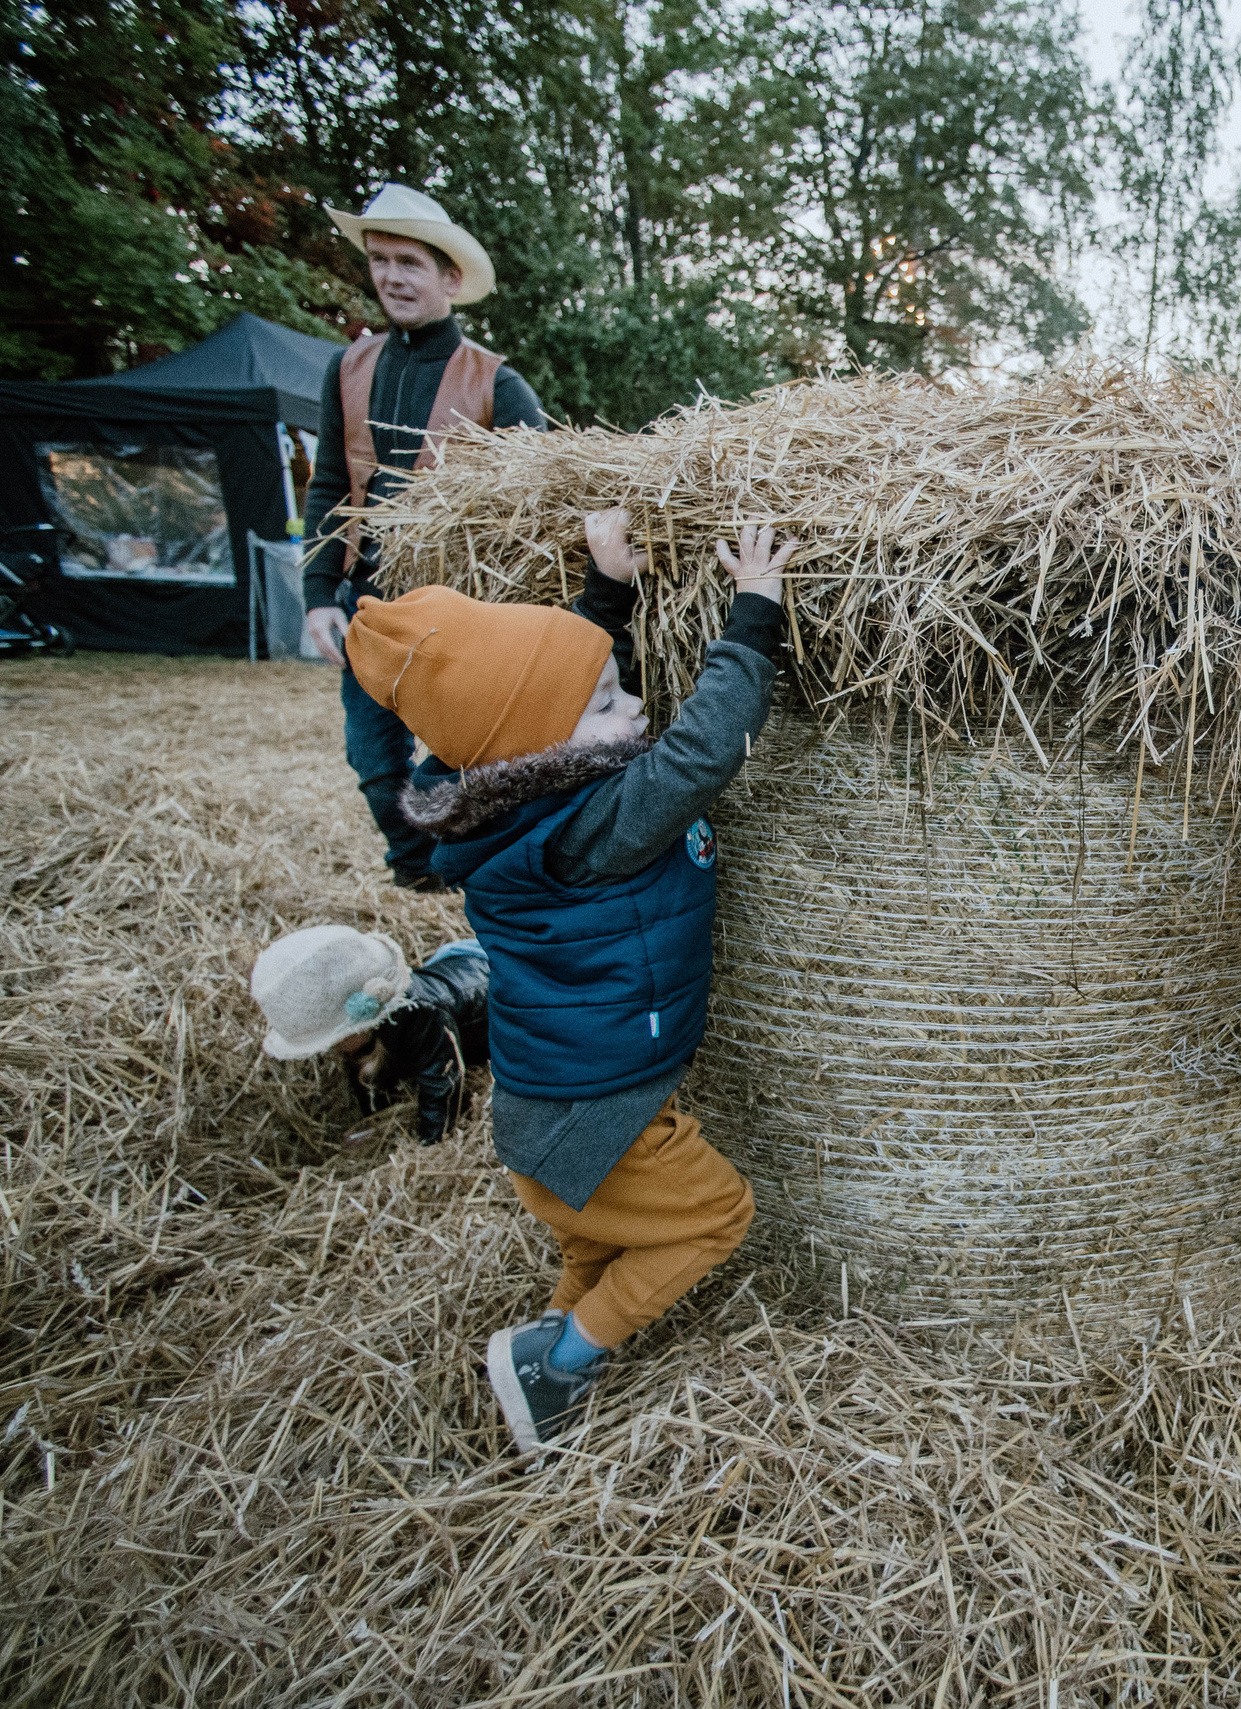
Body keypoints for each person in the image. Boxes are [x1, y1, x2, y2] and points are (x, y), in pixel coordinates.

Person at [343, 511, 793, 1454]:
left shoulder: (498, 800)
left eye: (621, 691)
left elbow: (542, 696)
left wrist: (608, 594)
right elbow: (702, 751)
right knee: (716, 1215)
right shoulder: (596, 827)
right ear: (555, 755)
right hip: (604, 1111)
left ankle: (531, 1383)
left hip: (543, 1111)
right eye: (607, 708)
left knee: (595, 1245)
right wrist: (753, 613)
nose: (632, 711)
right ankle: (560, 1357)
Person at [302, 184, 550, 891]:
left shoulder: (498, 383)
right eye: (380, 260)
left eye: (409, 262)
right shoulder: (347, 367)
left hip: (456, 612)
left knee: (463, 758)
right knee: (375, 762)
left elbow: (544, 497)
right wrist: (318, 592)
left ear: (448, 276)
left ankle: (467, 869)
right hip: (369, 602)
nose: (391, 277)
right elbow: (328, 486)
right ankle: (416, 877)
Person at [251, 928, 490, 1145]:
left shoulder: (422, 1018)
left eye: (335, 1040)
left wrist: (430, 1141)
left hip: (487, 985)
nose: (332, 1048)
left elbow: (443, 1082)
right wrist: (374, 1123)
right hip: (454, 970)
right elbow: (367, 1077)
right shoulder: (364, 1037)